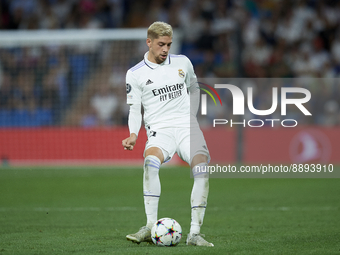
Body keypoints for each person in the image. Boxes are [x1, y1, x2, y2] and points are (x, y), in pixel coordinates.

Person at [122, 21, 213, 247]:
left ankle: (194, 233)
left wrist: (191, 116)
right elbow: (134, 109)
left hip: (186, 127)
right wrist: (133, 134)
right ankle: (150, 225)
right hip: (160, 130)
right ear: (149, 42)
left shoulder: (183, 62)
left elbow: (194, 87)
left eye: (169, 45)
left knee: (201, 167)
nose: (165, 49)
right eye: (161, 44)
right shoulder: (135, 74)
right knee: (150, 162)